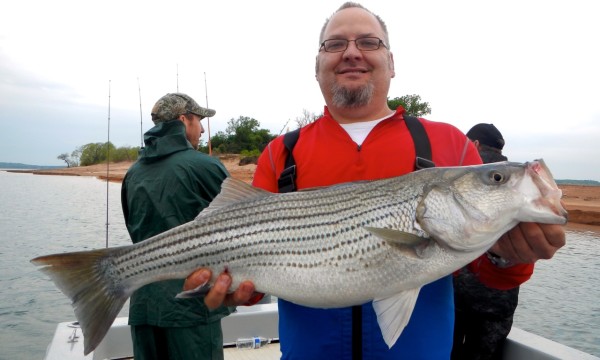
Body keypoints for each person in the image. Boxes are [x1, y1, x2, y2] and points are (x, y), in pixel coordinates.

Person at [184, 3, 565, 359]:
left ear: (391, 62)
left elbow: (486, 273)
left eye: (369, 42)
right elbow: (258, 277)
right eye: (335, 44)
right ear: (318, 65)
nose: (352, 52)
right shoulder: (281, 153)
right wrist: (238, 292)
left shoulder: (449, 143)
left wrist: (509, 255)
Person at [121, 92, 234, 360]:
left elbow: (134, 229)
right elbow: (241, 224)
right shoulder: (205, 166)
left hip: (143, 307)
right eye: (198, 120)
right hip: (191, 308)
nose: (203, 128)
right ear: (184, 120)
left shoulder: (132, 173)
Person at [451, 123, 517, 360]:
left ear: (475, 144)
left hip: (459, 297)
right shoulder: (513, 181)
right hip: (499, 304)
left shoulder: (465, 176)